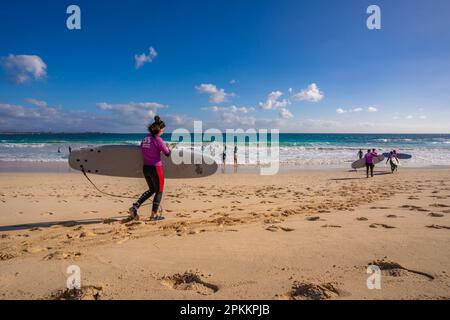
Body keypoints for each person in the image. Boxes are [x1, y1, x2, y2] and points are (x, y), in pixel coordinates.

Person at [129, 116, 171, 221]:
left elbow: (144, 149)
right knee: (159, 191)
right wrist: (169, 147)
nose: (163, 132)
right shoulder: (158, 140)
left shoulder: (145, 139)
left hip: (146, 168)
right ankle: (153, 215)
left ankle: (135, 206)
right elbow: (167, 154)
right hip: (156, 168)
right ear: (159, 130)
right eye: (163, 130)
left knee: (152, 189)